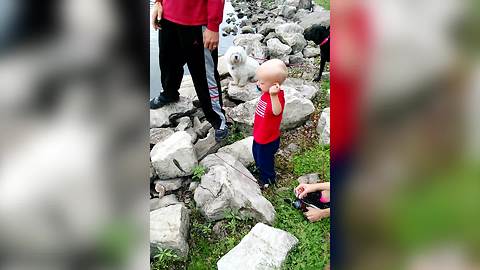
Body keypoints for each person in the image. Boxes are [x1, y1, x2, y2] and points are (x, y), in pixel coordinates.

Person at [150, 0, 228, 142]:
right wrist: (158, 2)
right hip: (168, 16)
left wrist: (213, 26)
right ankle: (169, 93)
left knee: (204, 74)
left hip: (198, 22)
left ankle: (217, 118)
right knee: (168, 62)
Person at [252, 59, 288, 189]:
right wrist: (262, 84)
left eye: (261, 82)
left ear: (275, 85)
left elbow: (277, 112)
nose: (258, 84)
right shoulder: (266, 91)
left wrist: (273, 95)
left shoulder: (277, 97)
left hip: (267, 139)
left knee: (265, 159)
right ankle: (259, 168)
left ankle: (268, 179)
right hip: (259, 134)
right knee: (256, 153)